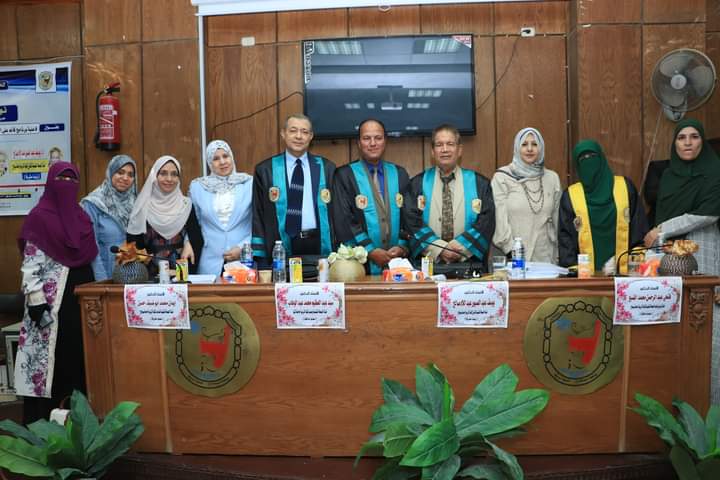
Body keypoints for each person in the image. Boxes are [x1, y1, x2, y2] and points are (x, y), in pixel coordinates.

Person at [642, 118, 720, 404]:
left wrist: (662, 230)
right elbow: (659, 220)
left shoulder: (714, 171)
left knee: (709, 332)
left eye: (694, 137)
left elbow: (708, 213)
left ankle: (710, 411)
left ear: (702, 142)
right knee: (668, 326)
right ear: (674, 143)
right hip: (668, 254)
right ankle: (670, 408)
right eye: (682, 137)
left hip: (705, 250)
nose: (688, 142)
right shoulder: (669, 176)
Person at [15, 161, 97, 423]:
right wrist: (36, 301)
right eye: (61, 179)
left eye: (72, 180)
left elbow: (90, 257)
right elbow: (30, 264)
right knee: (50, 365)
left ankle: (77, 426)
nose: (67, 185)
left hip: (79, 303)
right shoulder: (39, 217)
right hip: (49, 307)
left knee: (77, 361)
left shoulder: (81, 217)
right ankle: (43, 427)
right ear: (50, 182)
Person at [403, 124, 495, 270]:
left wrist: (460, 246)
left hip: (469, 264)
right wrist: (440, 249)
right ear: (432, 151)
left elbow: (486, 221)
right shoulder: (416, 184)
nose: (445, 149)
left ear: (459, 150)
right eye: (439, 145)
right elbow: (411, 222)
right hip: (428, 265)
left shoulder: (480, 184)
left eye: (450, 144)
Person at [251, 114, 335, 263]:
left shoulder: (327, 168)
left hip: (320, 244)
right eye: (293, 131)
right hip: (279, 246)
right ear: (283, 133)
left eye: (304, 132)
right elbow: (258, 213)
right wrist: (259, 253)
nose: (299, 136)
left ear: (311, 136)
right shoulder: (265, 170)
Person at [558, 140, 648, 274]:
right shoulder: (571, 195)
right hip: (586, 277)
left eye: (592, 156)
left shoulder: (625, 187)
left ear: (601, 158)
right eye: (582, 158)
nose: (588, 161)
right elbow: (566, 239)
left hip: (625, 275)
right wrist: (575, 272)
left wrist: (634, 267)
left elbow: (638, 229)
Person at [332, 119, 409, 274]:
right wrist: (369, 250)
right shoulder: (344, 175)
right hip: (360, 265)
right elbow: (344, 219)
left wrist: (401, 246)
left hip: (397, 263)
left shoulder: (399, 174)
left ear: (385, 141)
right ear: (359, 143)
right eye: (366, 138)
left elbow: (408, 216)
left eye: (378, 138)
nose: (373, 143)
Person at [492, 127, 561, 263]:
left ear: (541, 148)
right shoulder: (502, 177)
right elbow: (499, 219)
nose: (529, 149)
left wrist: (558, 253)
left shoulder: (552, 178)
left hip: (546, 256)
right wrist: (512, 252)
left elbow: (557, 219)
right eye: (524, 144)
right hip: (513, 256)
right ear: (517, 148)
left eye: (534, 144)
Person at [127, 156, 203, 276]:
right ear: (155, 176)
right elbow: (133, 246)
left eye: (174, 174)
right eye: (163, 173)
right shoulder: (142, 206)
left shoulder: (186, 205)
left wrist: (190, 243)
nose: (169, 179)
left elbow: (196, 240)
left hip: (180, 275)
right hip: (148, 277)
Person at [190, 140, 253, 276]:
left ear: (232, 157)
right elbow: (194, 224)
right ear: (209, 163)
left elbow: (259, 224)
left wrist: (243, 247)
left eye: (225, 156)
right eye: (216, 158)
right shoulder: (198, 187)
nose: (222, 162)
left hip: (244, 261)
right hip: (210, 261)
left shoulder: (249, 184)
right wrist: (187, 243)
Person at [81, 155, 137, 280]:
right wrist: (102, 280)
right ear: (111, 172)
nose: (125, 178)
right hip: (106, 273)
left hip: (132, 275)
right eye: (120, 172)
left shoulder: (136, 202)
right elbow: (91, 245)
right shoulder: (94, 203)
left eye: (130, 174)